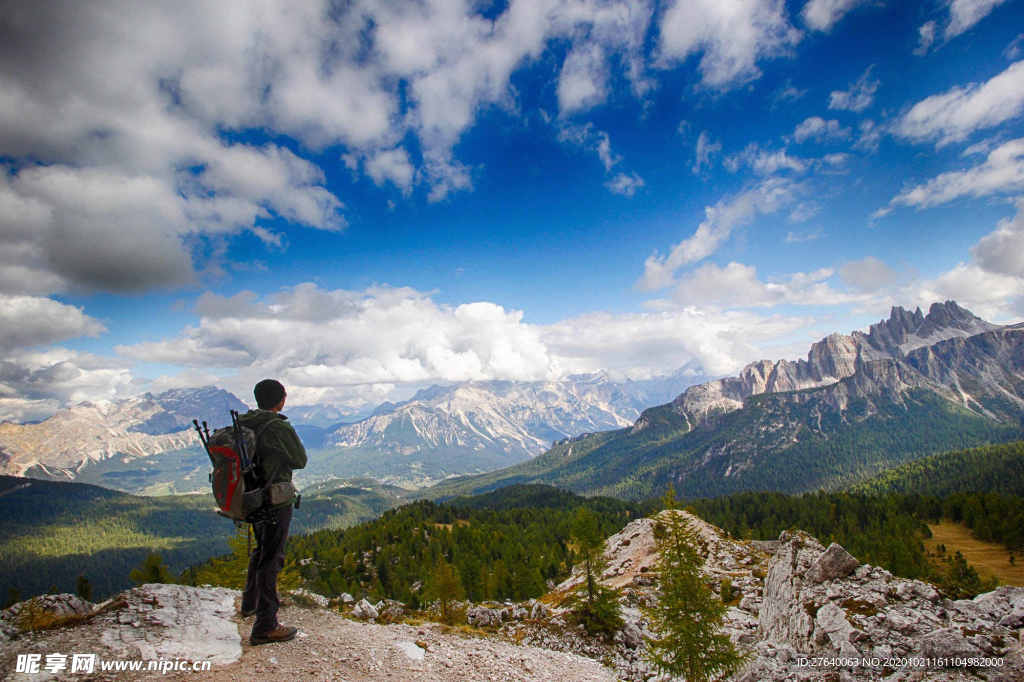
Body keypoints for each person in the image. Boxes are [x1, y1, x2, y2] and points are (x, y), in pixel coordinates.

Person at [238, 379, 307, 645]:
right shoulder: (278, 426)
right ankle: (266, 626)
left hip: (252, 498)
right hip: (275, 500)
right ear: (281, 400)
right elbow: (300, 460)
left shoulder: (245, 423)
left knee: (261, 550)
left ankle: (250, 603)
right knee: (272, 558)